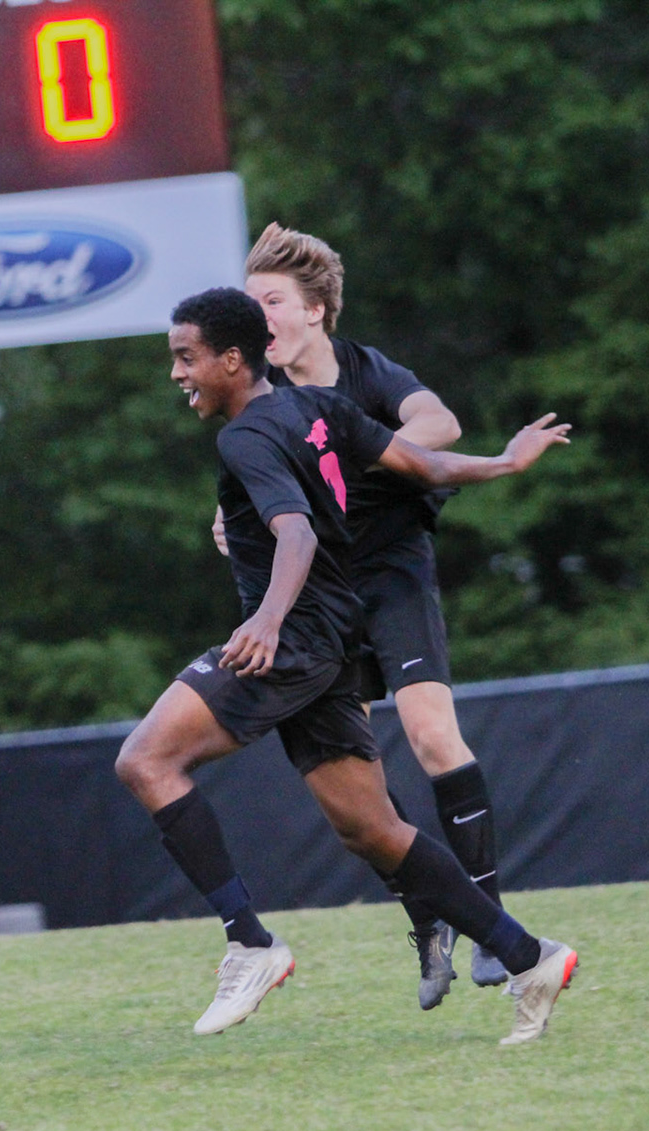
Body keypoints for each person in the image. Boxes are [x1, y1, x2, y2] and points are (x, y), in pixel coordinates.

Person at [116, 288, 577, 1045]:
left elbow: (295, 535)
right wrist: (504, 462)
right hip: (336, 645)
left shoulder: (245, 439)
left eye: (185, 357)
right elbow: (421, 463)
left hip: (292, 641)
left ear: (231, 359)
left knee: (146, 761)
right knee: (373, 830)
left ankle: (250, 945)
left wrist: (266, 620)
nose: (177, 373)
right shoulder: (318, 407)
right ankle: (530, 958)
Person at [213, 222, 511, 1007]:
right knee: (359, 787)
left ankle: (493, 926)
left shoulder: (364, 372)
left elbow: (440, 426)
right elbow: (258, 489)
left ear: (314, 311)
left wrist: (349, 452)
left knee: (431, 732)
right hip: (326, 592)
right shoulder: (267, 401)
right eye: (250, 304)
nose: (259, 318)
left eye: (272, 301)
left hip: (392, 572)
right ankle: (430, 920)